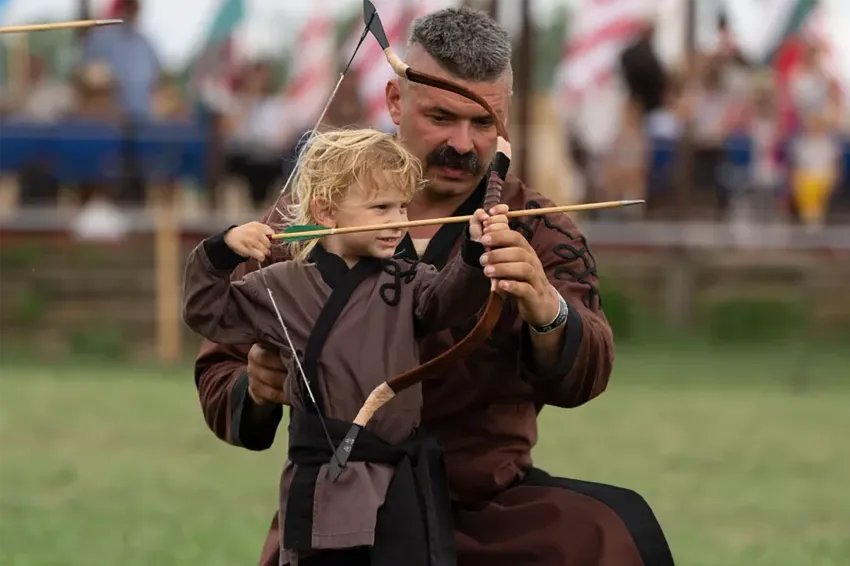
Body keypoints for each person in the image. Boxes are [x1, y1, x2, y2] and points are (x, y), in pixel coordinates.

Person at [194, 7, 674, 566]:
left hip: (485, 508)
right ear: (397, 102)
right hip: (345, 514)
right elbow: (220, 366)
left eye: (483, 124)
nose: (464, 144)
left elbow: (590, 363)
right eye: (441, 118)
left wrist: (548, 312)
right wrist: (256, 387)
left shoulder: (538, 226)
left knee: (608, 535)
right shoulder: (317, 217)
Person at [184, 128, 509, 565]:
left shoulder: (406, 278)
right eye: (380, 208)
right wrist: (223, 251)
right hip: (326, 475)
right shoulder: (283, 285)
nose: (399, 220)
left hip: (399, 477)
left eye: (401, 206)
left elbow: (449, 301)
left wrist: (473, 251)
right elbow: (207, 310)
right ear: (325, 210)